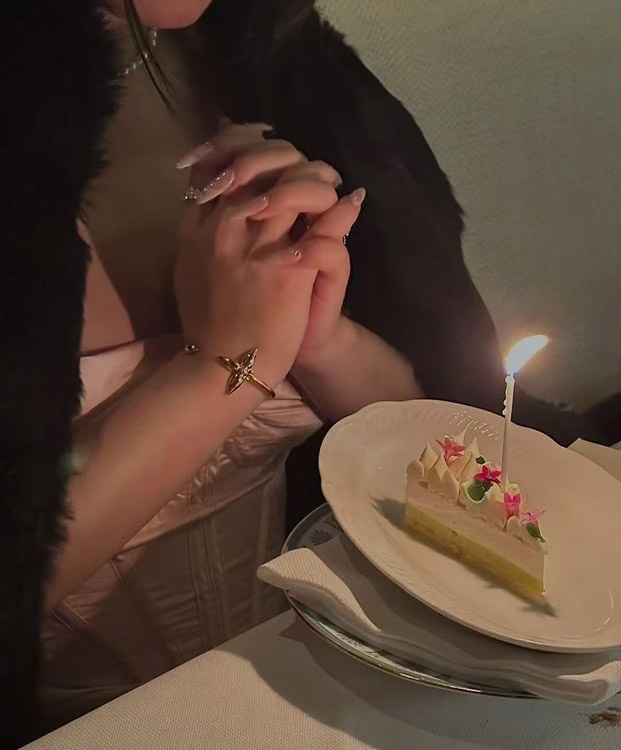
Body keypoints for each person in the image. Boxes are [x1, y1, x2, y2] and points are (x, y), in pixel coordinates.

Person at [0, 0, 605, 744]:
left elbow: (420, 426)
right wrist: (220, 371)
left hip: (341, 674)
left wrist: (318, 340)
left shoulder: (270, 61)